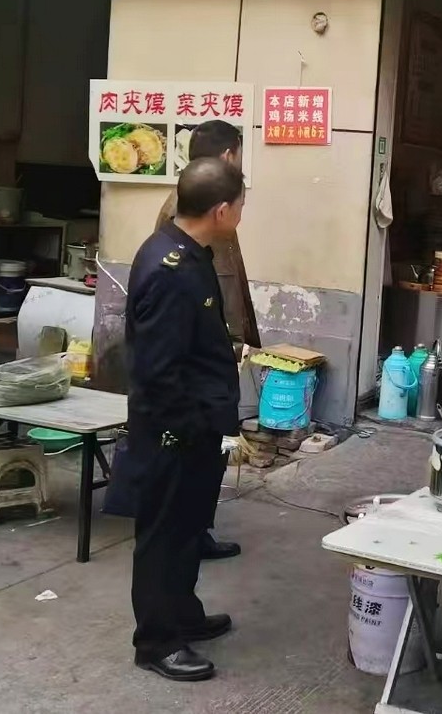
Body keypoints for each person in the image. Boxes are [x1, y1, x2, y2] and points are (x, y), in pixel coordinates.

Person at [127, 159, 246, 682]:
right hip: (173, 430)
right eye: (239, 205)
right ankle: (156, 641)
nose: (241, 213)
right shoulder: (169, 268)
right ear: (221, 210)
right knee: (164, 536)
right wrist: (188, 427)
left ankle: (183, 615)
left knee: (189, 528)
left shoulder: (189, 252)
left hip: (198, 424)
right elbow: (158, 370)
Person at [155, 120, 258, 562]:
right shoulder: (193, 209)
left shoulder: (209, 201)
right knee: (197, 450)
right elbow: (202, 288)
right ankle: (186, 536)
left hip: (214, 344)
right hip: (203, 349)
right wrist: (225, 342)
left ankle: (195, 531)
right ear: (229, 154)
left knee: (208, 451)